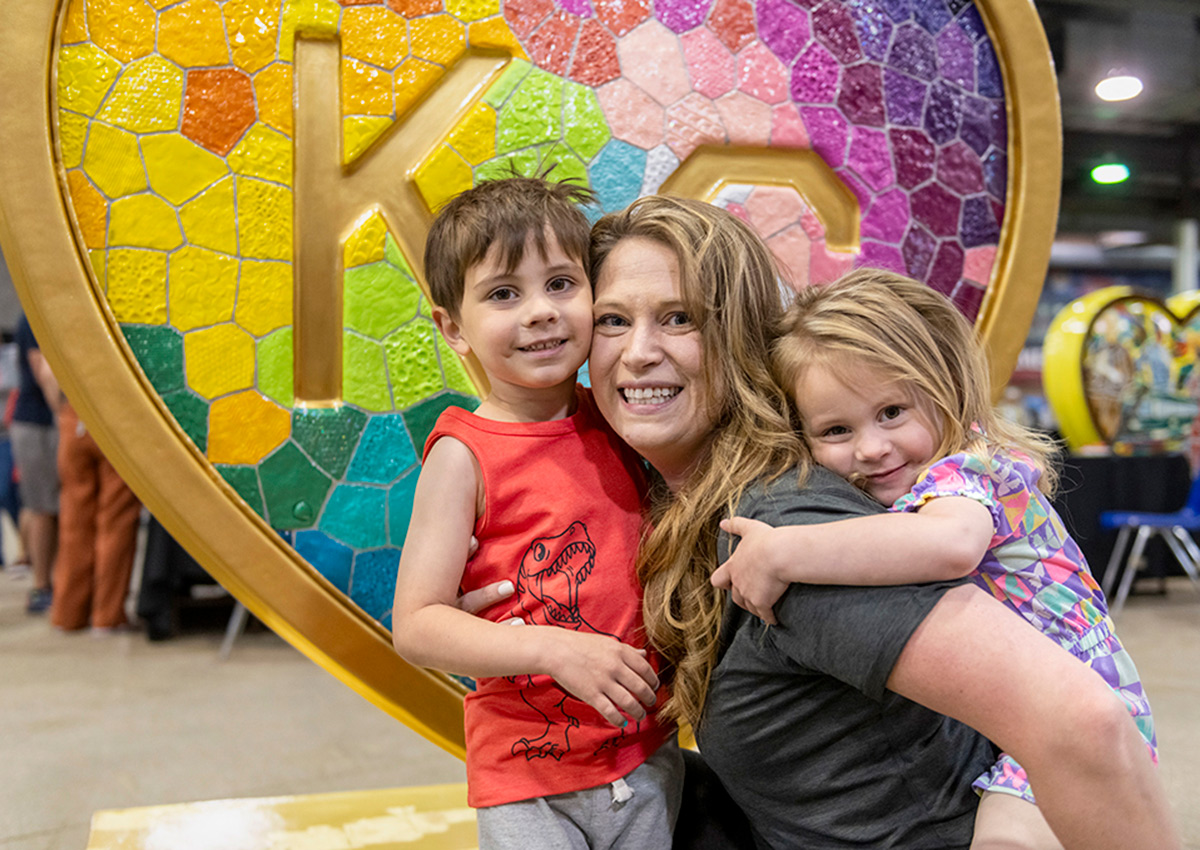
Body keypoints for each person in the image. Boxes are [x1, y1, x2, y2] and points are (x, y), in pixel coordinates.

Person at [585, 195, 1179, 849]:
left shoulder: (792, 527)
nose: (639, 351)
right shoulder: (699, 505)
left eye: (679, 318)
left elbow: (1086, 720)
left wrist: (787, 554)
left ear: (738, 336)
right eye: (612, 320)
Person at [710, 270, 1158, 846]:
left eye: (892, 412)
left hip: (1080, 708)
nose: (872, 448)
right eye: (836, 429)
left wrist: (783, 551)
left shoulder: (962, 473)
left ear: (944, 387)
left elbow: (949, 548)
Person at [391, 176, 683, 849]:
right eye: (503, 294)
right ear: (452, 329)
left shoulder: (618, 415)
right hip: (529, 777)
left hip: (644, 757)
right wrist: (551, 647)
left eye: (560, 283)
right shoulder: (463, 454)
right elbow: (417, 625)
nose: (541, 312)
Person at [48, 397, 142, 633]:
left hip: (73, 414)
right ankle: (107, 616)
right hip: (116, 417)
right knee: (116, 521)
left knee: (74, 523)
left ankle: (68, 614)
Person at [10, 311, 59, 613]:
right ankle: (41, 585)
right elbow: (44, 370)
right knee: (42, 507)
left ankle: (53, 583)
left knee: (45, 506)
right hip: (38, 422)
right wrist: (65, 419)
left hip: (44, 422)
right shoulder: (34, 316)